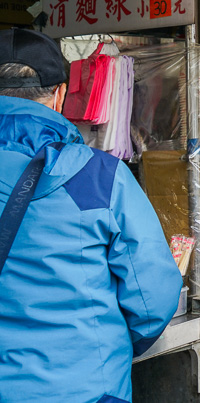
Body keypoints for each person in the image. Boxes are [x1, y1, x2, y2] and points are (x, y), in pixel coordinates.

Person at [0, 29, 181, 402]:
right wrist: (104, 344)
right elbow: (154, 298)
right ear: (60, 96)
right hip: (84, 388)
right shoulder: (101, 177)